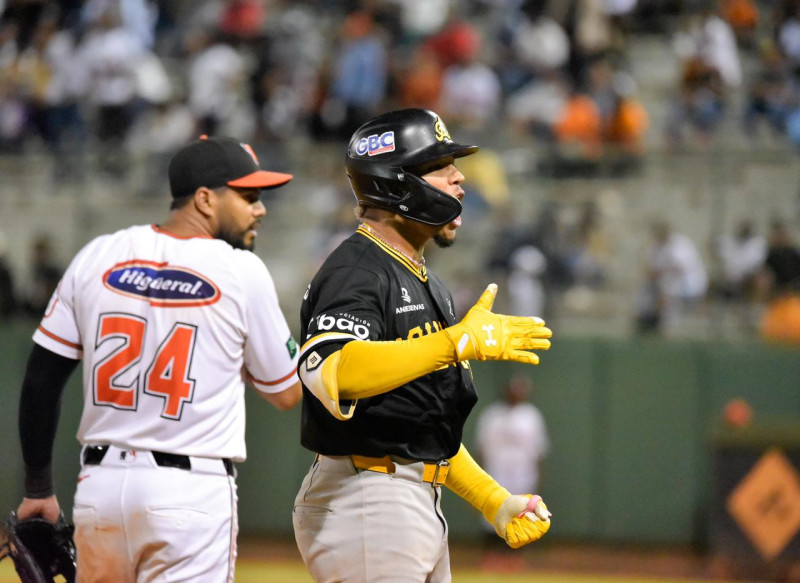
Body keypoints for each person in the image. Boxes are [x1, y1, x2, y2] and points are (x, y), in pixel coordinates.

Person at [16, 136, 303, 582]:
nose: (259, 209)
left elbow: (41, 379)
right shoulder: (240, 270)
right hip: (190, 493)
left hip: (100, 490)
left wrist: (37, 487)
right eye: (248, 197)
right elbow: (286, 392)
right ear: (206, 199)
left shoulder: (98, 253)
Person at [292, 108, 553, 583]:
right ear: (397, 184)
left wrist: (493, 500)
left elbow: (419, 426)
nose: (459, 179)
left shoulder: (423, 280)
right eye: (441, 167)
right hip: (366, 498)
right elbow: (333, 371)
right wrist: (453, 343)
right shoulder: (358, 269)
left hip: (406, 496)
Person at [476, 375, 550, 570]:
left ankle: (515, 557)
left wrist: (539, 476)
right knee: (491, 510)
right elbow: (481, 448)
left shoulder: (531, 415)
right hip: (496, 469)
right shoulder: (492, 414)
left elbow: (539, 450)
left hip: (522, 471)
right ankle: (491, 555)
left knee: (522, 512)